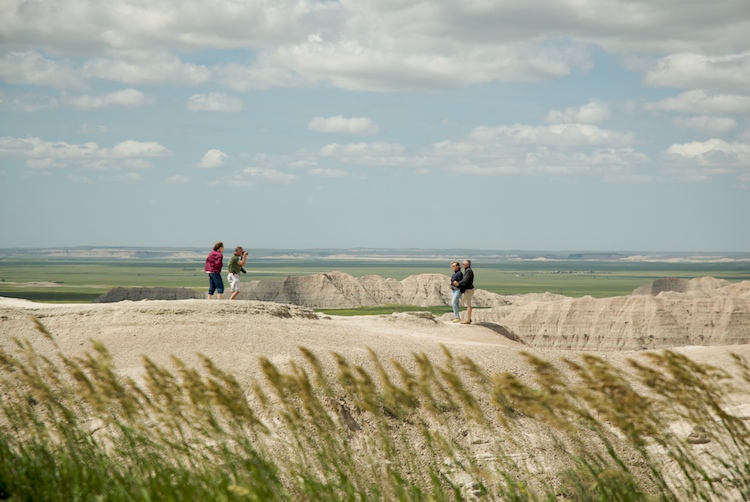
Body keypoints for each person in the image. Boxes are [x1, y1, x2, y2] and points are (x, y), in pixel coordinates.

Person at [456, 259, 475, 324]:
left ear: (467, 264)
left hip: (468, 289)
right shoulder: (468, 270)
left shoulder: (468, 271)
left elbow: (465, 280)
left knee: (468, 305)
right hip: (469, 289)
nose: (462, 265)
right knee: (468, 304)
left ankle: (468, 319)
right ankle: (469, 318)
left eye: (464, 264)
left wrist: (458, 283)